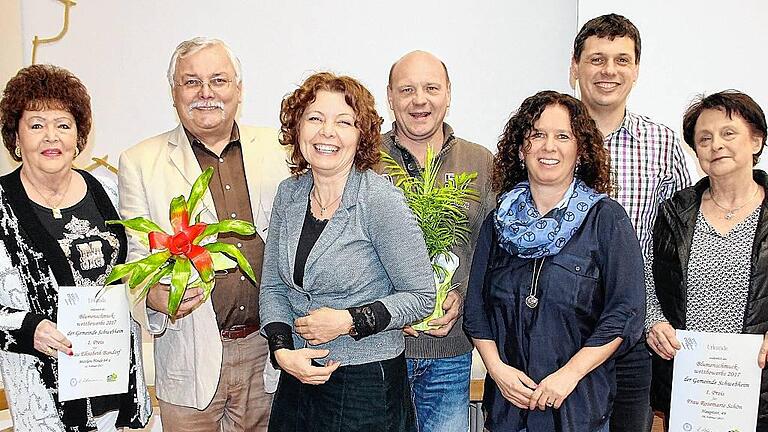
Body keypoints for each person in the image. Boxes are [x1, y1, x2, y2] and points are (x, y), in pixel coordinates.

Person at [118, 37, 289, 431]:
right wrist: (153, 298)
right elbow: (134, 260)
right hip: (189, 354)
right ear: (173, 91)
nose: (206, 93)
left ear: (238, 90)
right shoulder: (141, 161)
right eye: (191, 81)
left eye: (219, 80)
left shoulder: (279, 151)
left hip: (268, 354)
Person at [259, 71, 435, 432]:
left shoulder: (378, 199)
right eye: (315, 118)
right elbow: (273, 287)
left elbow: (421, 297)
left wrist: (349, 320)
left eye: (344, 122)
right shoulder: (289, 194)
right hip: (298, 376)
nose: (327, 132)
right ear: (297, 127)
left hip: (365, 385)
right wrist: (282, 352)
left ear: (361, 136)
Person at [464, 91, 645, 432]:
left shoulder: (606, 219)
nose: (549, 146)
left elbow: (625, 312)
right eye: (537, 135)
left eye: (563, 136)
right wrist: (497, 370)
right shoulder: (497, 222)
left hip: (577, 406)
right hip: (508, 409)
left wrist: (569, 375)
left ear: (580, 152)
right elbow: (476, 309)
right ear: (521, 150)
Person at [0, 64, 151, 431]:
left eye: (63, 125)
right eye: (36, 125)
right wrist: (27, 327)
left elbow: (138, 266)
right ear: (16, 138)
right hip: (45, 394)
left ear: (79, 136)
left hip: (117, 384)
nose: (51, 137)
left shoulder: (109, 192)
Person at [569, 13, 691, 431]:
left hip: (632, 335)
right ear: (575, 68)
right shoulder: (547, 141)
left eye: (622, 60)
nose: (609, 71)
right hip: (559, 331)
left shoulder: (662, 143)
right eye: (597, 59)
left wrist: (661, 315)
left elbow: (679, 247)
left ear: (636, 70)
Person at [376, 50, 495, 432]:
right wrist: (395, 307)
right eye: (407, 89)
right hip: (380, 351)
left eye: (431, 88)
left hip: (450, 353)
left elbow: (490, 252)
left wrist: (457, 294)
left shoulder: (480, 162)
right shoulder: (364, 159)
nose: (419, 100)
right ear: (390, 96)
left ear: (448, 94)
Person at [647, 90, 768, 431]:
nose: (716, 145)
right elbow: (649, 275)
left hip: (760, 389)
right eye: (704, 138)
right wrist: (654, 323)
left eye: (728, 133)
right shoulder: (675, 212)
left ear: (756, 140)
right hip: (690, 389)